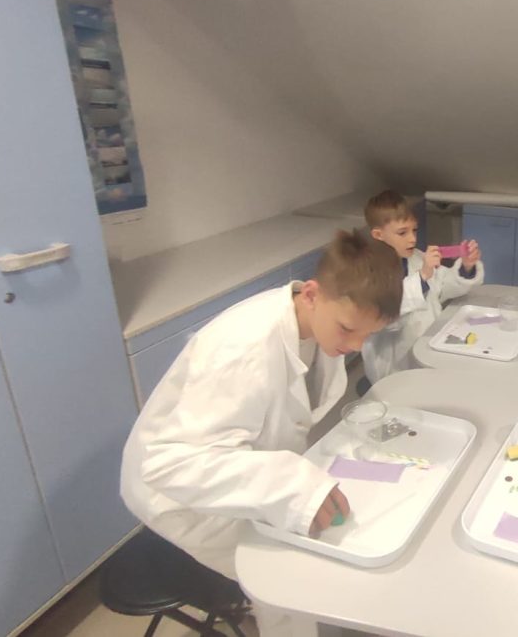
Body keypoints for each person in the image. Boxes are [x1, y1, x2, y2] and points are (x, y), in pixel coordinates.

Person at [120, 229, 403, 581]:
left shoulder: (314, 320)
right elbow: (169, 465)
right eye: (348, 329)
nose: (358, 345)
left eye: (368, 334)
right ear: (311, 294)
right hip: (180, 498)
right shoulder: (243, 349)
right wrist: (290, 481)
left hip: (237, 465)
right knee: (289, 578)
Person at [361, 189, 484, 383]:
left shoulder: (418, 258)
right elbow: (385, 317)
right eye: (402, 232)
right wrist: (423, 277)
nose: (412, 238)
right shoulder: (368, 271)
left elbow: (443, 286)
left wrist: (466, 267)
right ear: (378, 234)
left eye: (414, 230)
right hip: (393, 365)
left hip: (427, 348)